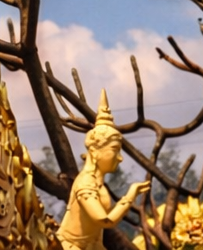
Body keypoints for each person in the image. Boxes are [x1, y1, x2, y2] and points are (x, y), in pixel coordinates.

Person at [56, 90, 150, 250]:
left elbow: (97, 231)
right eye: (115, 150)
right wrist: (130, 196)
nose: (120, 158)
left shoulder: (97, 183)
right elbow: (105, 221)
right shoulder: (85, 182)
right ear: (94, 151)